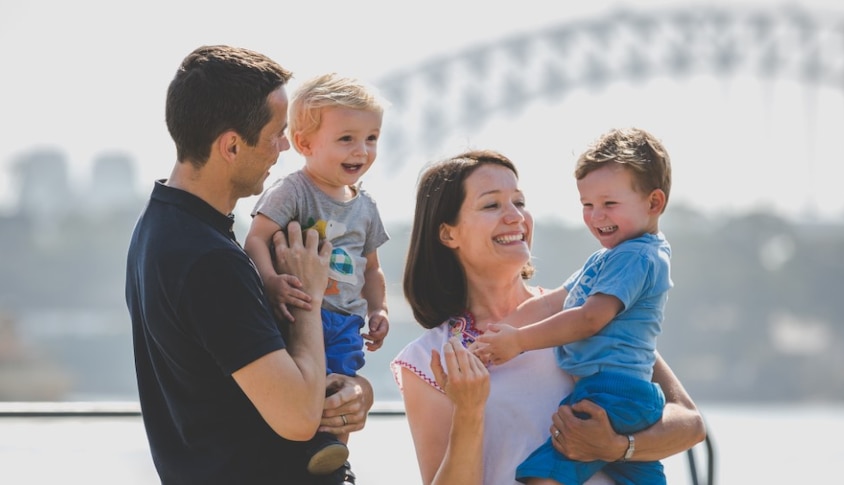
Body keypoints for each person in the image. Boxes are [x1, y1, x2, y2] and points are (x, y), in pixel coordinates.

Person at [125, 45, 372, 485]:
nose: (284, 147)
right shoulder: (208, 260)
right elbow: (297, 416)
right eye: (277, 133)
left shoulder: (161, 227)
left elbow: (265, 374)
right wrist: (311, 299)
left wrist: (352, 392)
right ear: (232, 146)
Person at [390, 149, 706, 485]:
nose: (515, 216)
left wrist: (617, 447)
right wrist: (468, 412)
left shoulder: (588, 311)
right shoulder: (427, 360)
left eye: (520, 202)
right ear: (448, 234)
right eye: (491, 205)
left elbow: (689, 423)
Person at [476, 127, 673, 484]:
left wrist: (518, 341)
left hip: (610, 393)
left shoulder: (636, 256)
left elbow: (588, 320)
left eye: (609, 204)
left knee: (542, 475)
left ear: (654, 203)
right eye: (587, 205)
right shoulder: (608, 257)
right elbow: (556, 302)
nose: (597, 216)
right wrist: (491, 334)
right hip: (620, 395)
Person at [244, 72, 390, 476]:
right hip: (298, 310)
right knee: (299, 386)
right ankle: (290, 454)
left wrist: (380, 309)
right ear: (306, 143)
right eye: (346, 138)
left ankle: (330, 457)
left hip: (344, 320)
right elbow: (256, 240)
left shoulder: (367, 207)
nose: (362, 149)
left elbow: (372, 269)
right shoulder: (293, 191)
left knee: (341, 388)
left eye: (372, 138)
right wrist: (272, 281)